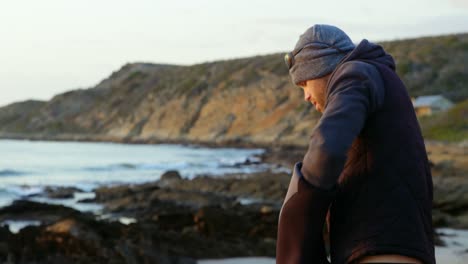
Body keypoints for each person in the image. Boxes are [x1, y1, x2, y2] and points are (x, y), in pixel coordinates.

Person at [276, 24, 435, 264]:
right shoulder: (377, 77)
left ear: (321, 64)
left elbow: (326, 146)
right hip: (394, 246)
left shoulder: (355, 74)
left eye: (304, 84)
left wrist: (295, 217)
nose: (306, 96)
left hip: (380, 252)